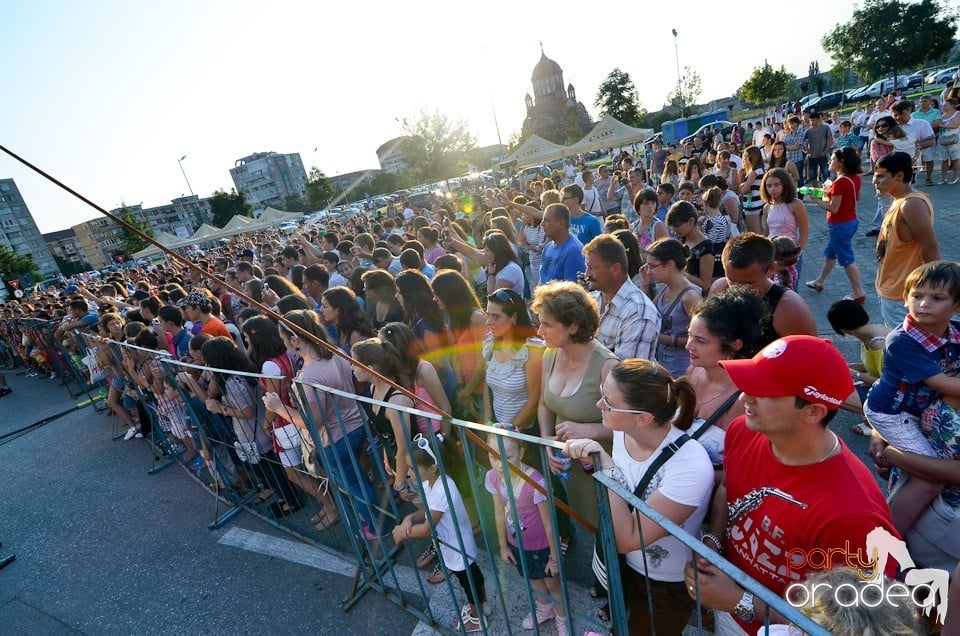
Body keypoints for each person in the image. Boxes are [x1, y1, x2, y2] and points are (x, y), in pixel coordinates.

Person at [686, 335, 898, 636]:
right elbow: (727, 490)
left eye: (766, 392)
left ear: (813, 412)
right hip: (730, 610)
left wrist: (742, 601)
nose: (745, 397)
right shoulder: (743, 432)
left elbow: (854, 619)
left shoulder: (855, 514)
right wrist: (712, 545)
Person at [563, 359, 713, 635]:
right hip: (626, 568)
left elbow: (628, 539)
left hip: (667, 583)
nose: (599, 405)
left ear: (642, 418)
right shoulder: (624, 430)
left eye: (608, 402)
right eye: (601, 393)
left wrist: (606, 467)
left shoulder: (690, 466)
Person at [864, 261, 960, 537]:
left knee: (920, 478)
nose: (924, 304)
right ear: (905, 299)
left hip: (911, 413)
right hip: (894, 415)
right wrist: (881, 437)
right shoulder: (903, 340)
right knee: (928, 481)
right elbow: (939, 383)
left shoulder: (954, 334)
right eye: (917, 296)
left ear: (956, 305)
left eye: (937, 298)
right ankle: (886, 545)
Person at [534, 281, 618, 531]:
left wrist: (587, 431)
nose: (539, 331)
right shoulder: (550, 354)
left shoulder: (608, 367)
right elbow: (544, 404)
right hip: (568, 464)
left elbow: (633, 427)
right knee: (583, 525)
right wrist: (547, 440)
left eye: (547, 324)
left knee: (607, 532)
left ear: (573, 325)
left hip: (602, 468)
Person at [393, 439, 488, 633]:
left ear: (433, 467)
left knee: (469, 581)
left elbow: (427, 528)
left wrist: (404, 533)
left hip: (458, 545)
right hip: (451, 542)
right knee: (472, 578)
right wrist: (409, 518)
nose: (409, 473)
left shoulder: (443, 490)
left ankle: (478, 618)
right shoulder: (430, 483)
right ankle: (482, 606)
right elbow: (428, 511)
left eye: (412, 468)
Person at [485, 425, 566, 636]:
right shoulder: (493, 477)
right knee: (534, 580)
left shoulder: (535, 482)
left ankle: (562, 618)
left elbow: (550, 524)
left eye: (508, 457)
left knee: (553, 585)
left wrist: (554, 558)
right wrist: (503, 545)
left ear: (521, 453)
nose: (500, 464)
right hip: (518, 544)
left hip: (543, 547)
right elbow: (499, 514)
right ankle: (545, 610)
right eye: (493, 457)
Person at [685, 290, 766, 466]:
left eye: (700, 340)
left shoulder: (745, 397)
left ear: (735, 345)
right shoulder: (693, 371)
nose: (688, 345)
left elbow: (741, 468)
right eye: (689, 335)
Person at [710, 233, 818, 346]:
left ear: (771, 269)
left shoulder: (789, 308)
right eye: (732, 281)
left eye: (748, 284)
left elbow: (812, 356)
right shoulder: (720, 289)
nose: (739, 290)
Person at [874, 152, 940, 328]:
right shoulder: (899, 201)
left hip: (902, 295)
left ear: (899, 176)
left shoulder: (911, 205)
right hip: (892, 289)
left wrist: (932, 291)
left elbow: (930, 246)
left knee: (907, 350)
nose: (875, 181)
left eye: (881, 176)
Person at [583, 234, 660, 361]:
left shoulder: (638, 312)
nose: (587, 274)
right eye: (587, 267)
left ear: (615, 268)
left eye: (593, 268)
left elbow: (626, 375)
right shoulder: (591, 300)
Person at [805, 147, 867, 303]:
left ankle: (858, 291)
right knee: (830, 254)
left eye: (832, 159)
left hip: (839, 224)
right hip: (852, 220)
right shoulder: (854, 178)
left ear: (841, 163)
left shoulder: (840, 181)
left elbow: (833, 208)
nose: (829, 161)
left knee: (846, 259)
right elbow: (856, 197)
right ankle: (820, 281)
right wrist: (827, 193)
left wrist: (814, 199)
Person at [480, 289, 543, 433]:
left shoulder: (532, 350)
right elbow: (487, 389)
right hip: (498, 430)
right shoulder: (489, 345)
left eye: (496, 316)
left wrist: (507, 435)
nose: (489, 322)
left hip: (525, 433)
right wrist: (487, 424)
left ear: (514, 317)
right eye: (488, 315)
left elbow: (534, 402)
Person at [431, 270, 486, 421]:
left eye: (437, 293)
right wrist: (461, 388)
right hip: (465, 389)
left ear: (450, 293)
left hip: (483, 391)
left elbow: (484, 361)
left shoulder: (477, 318)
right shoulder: (451, 318)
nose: (434, 298)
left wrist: (467, 392)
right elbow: (455, 355)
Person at [641, 238, 700, 378]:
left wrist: (664, 338)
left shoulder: (690, 296)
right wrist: (644, 286)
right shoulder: (666, 288)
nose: (648, 271)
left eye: (652, 266)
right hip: (662, 366)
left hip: (682, 371)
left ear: (670, 265)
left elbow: (703, 339)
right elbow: (647, 313)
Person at [759, 167, 808, 280]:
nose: (772, 189)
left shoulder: (796, 204)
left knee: (789, 288)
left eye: (777, 185)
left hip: (790, 253)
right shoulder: (767, 207)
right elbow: (766, 233)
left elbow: (804, 232)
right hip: (772, 255)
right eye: (769, 186)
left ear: (784, 184)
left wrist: (796, 255)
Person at [666, 201, 720, 294]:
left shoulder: (706, 246)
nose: (674, 231)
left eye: (677, 226)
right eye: (672, 227)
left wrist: (679, 272)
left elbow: (705, 285)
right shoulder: (682, 240)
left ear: (691, 221)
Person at [539, 204, 585, 284]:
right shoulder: (548, 247)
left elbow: (571, 291)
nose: (542, 224)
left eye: (546, 220)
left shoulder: (573, 251)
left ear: (561, 223)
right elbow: (542, 279)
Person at [320, 287, 374, 355]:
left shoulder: (356, 336)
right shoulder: (341, 327)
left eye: (325, 306)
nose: (321, 310)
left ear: (338, 310)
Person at [738, 146, 765, 234]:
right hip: (753, 204)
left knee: (755, 233)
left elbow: (744, 190)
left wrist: (743, 185)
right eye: (743, 156)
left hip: (753, 205)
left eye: (746, 156)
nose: (744, 158)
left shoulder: (754, 172)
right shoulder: (754, 171)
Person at [803, 111, 834, 188]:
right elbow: (804, 142)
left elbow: (830, 140)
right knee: (813, 175)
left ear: (819, 120)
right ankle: (816, 192)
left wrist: (825, 151)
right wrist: (806, 149)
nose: (812, 122)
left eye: (814, 120)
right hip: (812, 156)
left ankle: (827, 191)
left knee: (826, 174)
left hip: (822, 155)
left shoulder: (825, 128)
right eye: (811, 121)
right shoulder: (808, 131)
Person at [935, 98, 960, 185]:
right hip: (943, 140)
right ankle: (943, 178)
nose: (943, 106)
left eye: (945, 105)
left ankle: (955, 177)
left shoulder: (957, 113)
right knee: (944, 159)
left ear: (952, 105)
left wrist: (941, 125)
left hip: (954, 139)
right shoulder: (942, 116)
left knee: (955, 159)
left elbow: (955, 125)